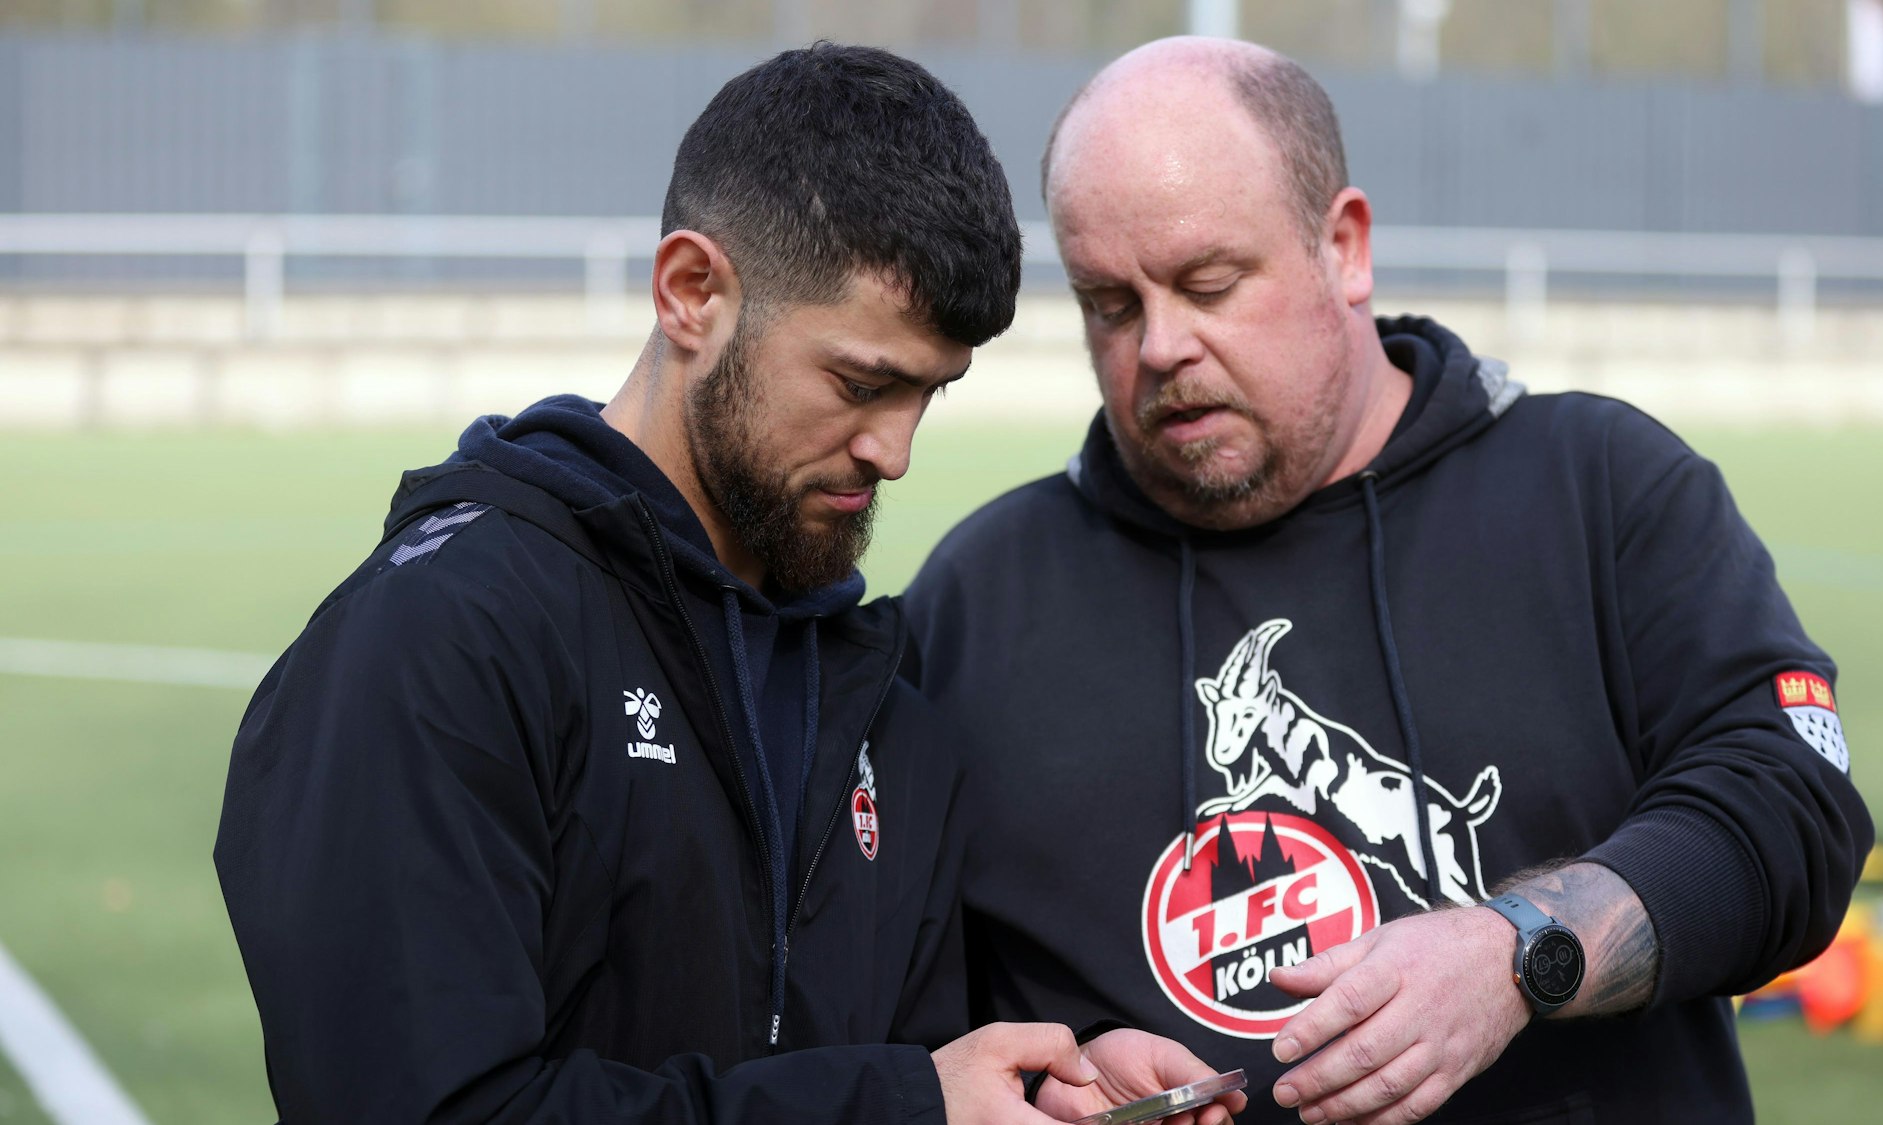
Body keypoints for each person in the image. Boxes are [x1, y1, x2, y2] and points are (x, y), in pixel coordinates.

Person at [214, 43, 1242, 1125]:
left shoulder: (877, 703)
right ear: (691, 292)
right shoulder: (441, 636)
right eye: (860, 382)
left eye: (927, 395)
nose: (892, 452)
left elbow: (895, 1066)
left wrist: (1044, 1088)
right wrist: (893, 1109)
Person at [901, 36, 1872, 1125]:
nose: (1160, 345)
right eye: (1108, 305)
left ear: (1344, 247)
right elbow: (906, 1013)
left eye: (1208, 284)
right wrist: (1054, 1080)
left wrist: (1517, 954)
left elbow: (1790, 808)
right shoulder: (977, 601)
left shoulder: (1598, 489)